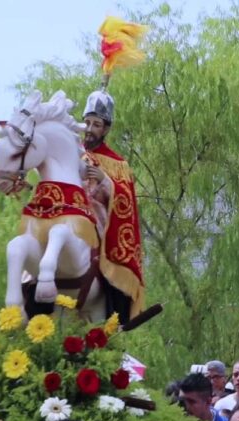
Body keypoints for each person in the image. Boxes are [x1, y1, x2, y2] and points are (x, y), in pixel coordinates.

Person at [81, 89, 145, 321]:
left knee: (109, 262)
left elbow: (126, 200)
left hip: (97, 224)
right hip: (68, 212)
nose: (89, 129)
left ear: (106, 128)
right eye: (86, 122)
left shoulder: (117, 164)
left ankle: (114, 316)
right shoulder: (73, 151)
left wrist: (104, 179)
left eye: (96, 124)